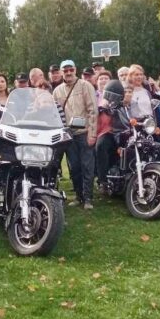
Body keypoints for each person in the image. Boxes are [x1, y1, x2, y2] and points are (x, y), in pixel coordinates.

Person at [52, 59, 97, 209]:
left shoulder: (86, 86)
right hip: (68, 135)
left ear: (75, 70)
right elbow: (54, 114)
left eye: (71, 69)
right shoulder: (57, 91)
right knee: (74, 167)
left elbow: (92, 111)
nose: (69, 72)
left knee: (87, 166)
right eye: (65, 70)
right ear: (61, 72)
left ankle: (88, 198)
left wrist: (92, 133)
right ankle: (79, 196)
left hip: (84, 133)